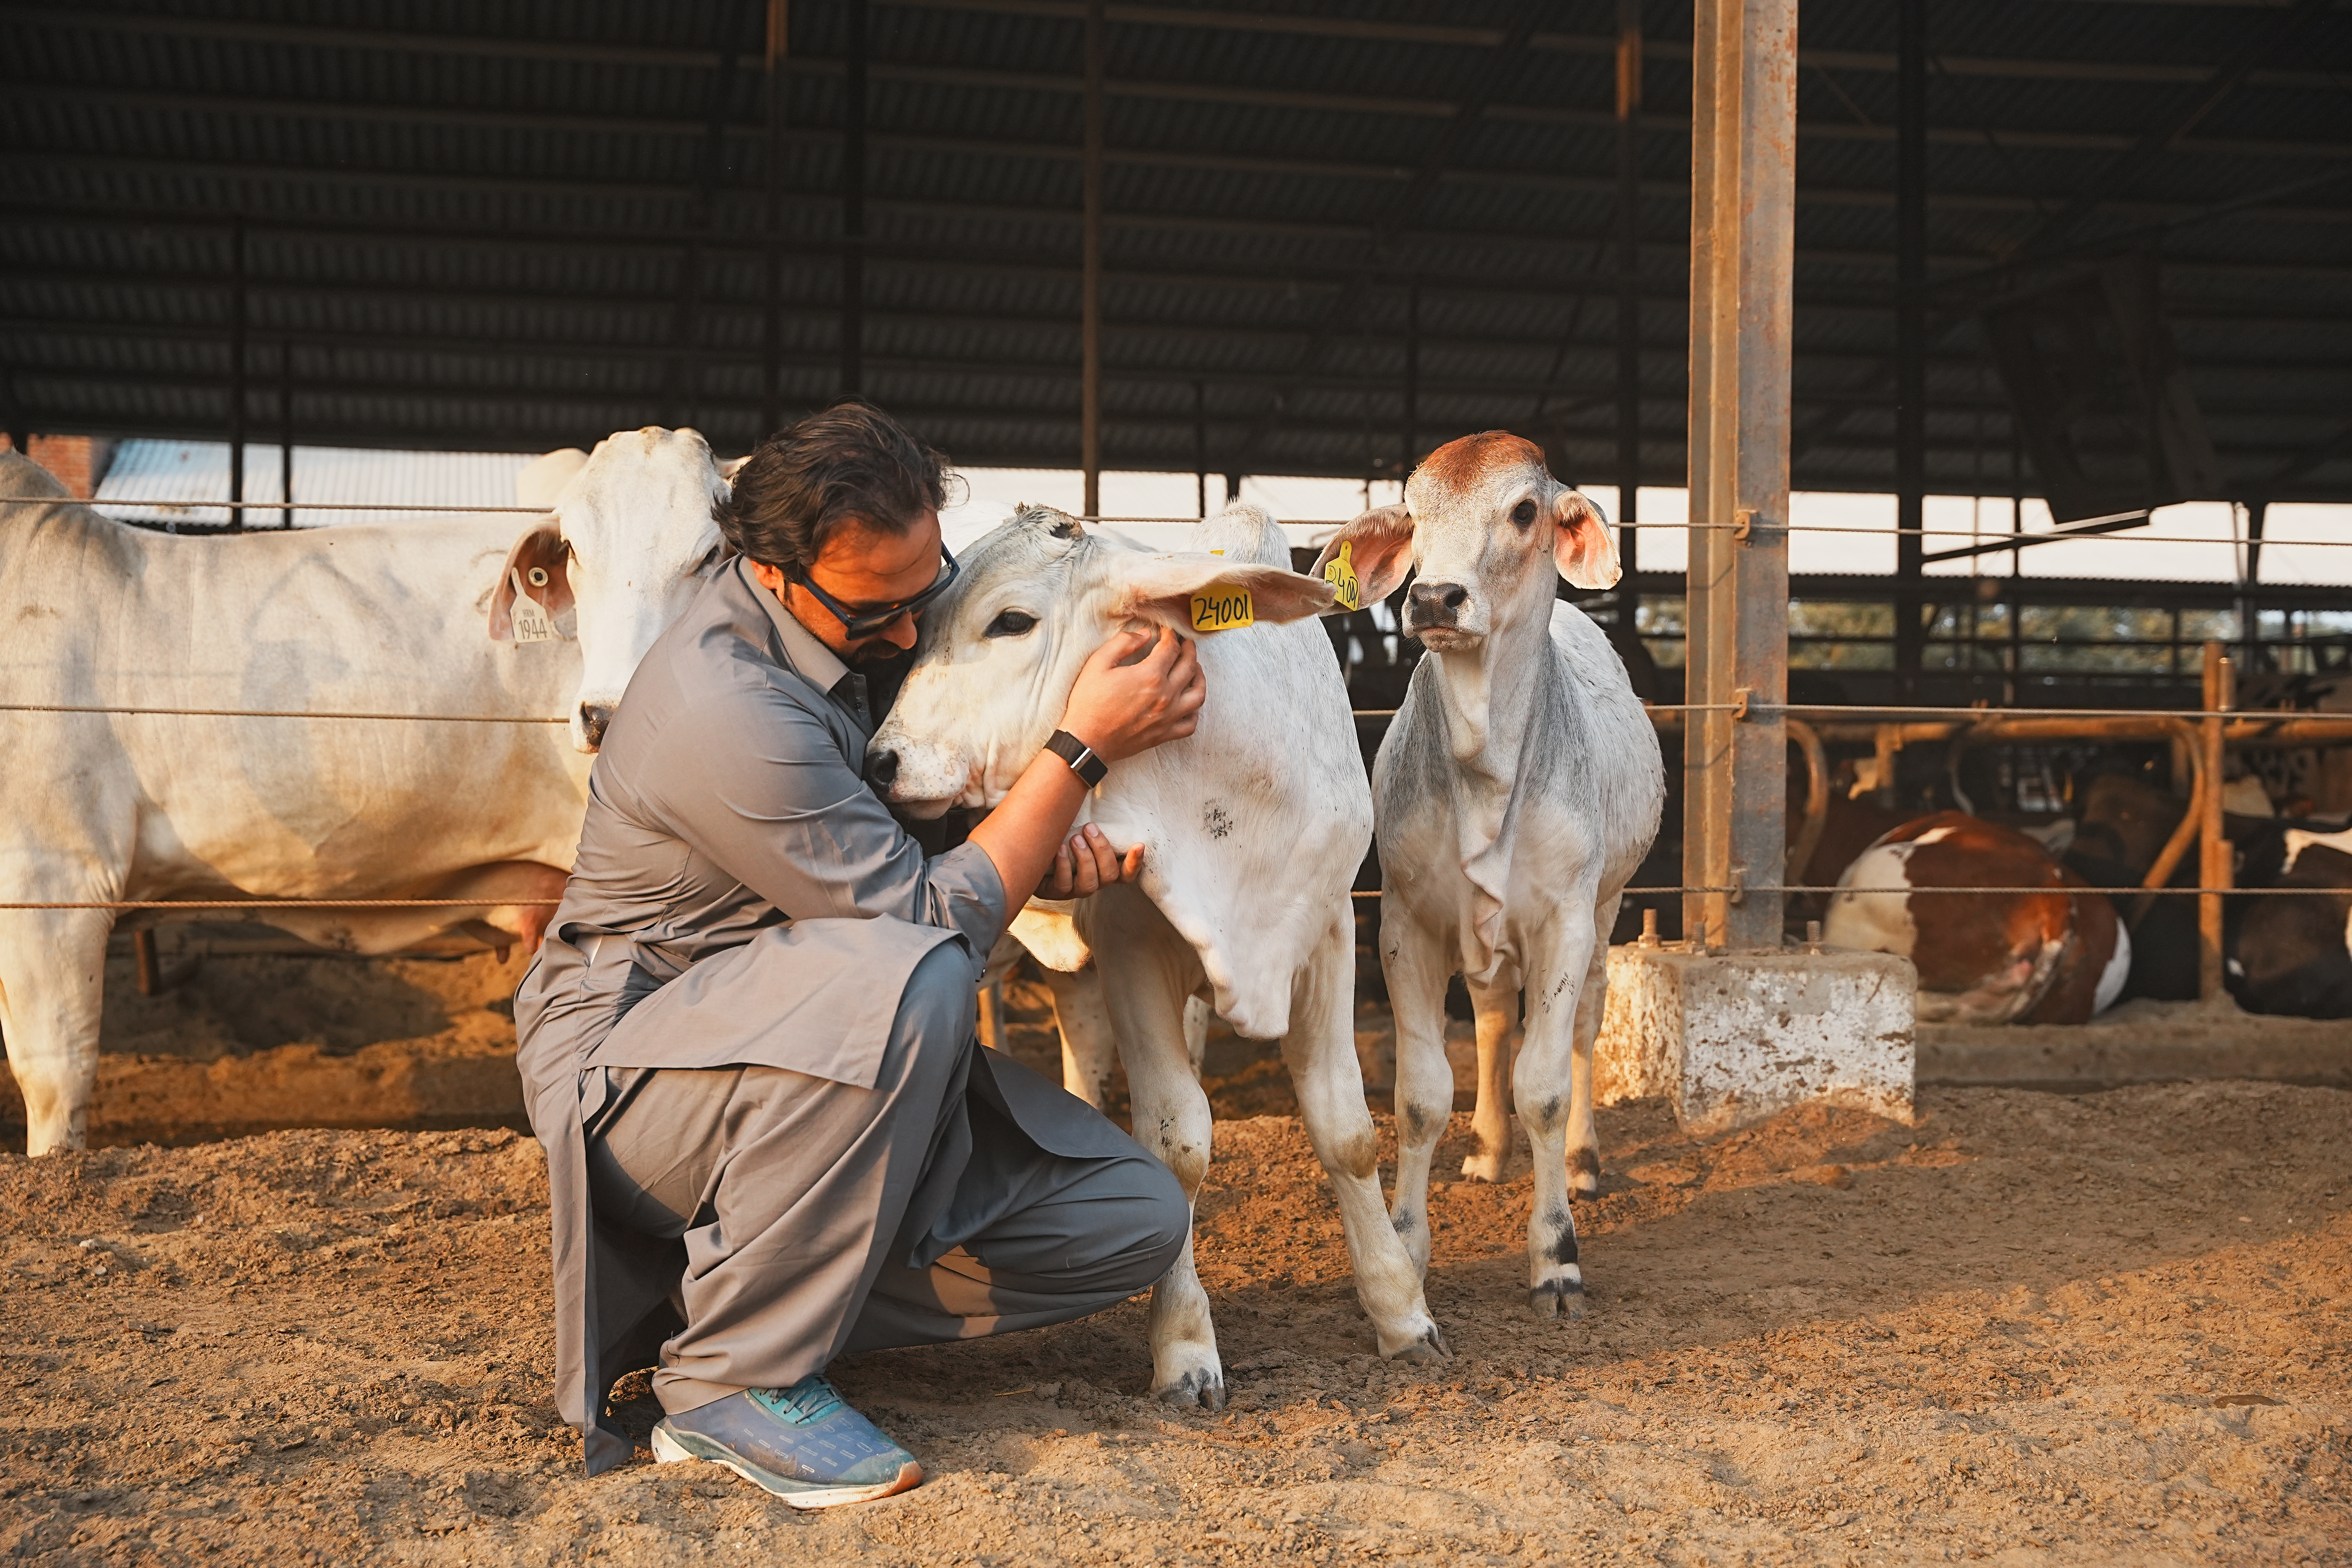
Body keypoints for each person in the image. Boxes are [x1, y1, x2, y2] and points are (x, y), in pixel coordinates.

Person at [513, 400, 1205, 1507]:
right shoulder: (721, 701)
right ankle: (728, 1384)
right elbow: (914, 925)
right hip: (645, 1077)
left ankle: (741, 1294)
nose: (903, 634)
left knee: (1130, 1218)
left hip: (823, 1062)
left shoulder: (853, 636)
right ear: (770, 572)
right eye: (872, 612)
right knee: (924, 968)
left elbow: (909, 866)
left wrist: (1029, 849)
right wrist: (1078, 754)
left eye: (923, 594)